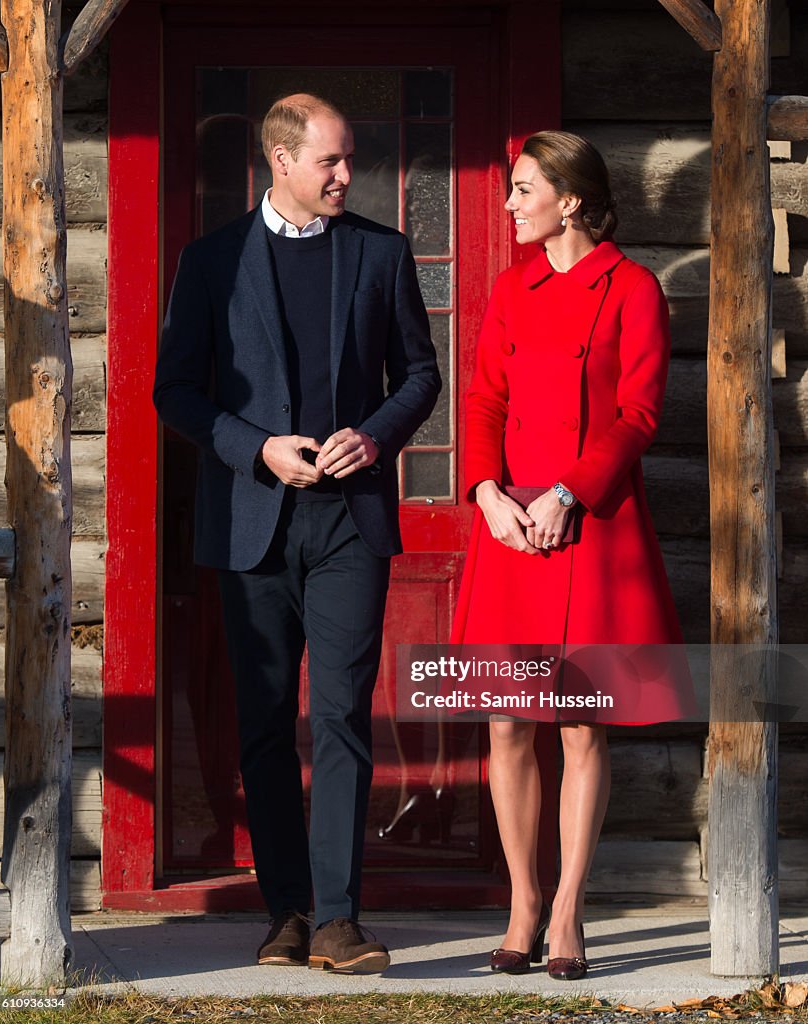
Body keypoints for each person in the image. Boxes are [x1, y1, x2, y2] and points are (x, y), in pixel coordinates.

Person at [154, 93, 441, 974]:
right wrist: (257, 448)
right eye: (331, 162)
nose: (346, 176)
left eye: (348, 158)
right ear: (281, 160)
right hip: (252, 522)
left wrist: (376, 433)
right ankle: (285, 910)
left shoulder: (381, 253)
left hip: (349, 523)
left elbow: (420, 374)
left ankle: (339, 920)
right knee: (264, 724)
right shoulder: (210, 262)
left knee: (344, 716)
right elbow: (177, 392)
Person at [451, 130, 692, 979]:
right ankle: (520, 902)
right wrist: (486, 496)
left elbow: (640, 413)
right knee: (508, 723)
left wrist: (564, 494)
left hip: (588, 526)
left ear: (572, 201)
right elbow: (482, 398)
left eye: (523, 190)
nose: (510, 204)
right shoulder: (511, 290)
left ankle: (566, 913)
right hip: (510, 532)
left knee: (583, 729)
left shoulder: (630, 289)